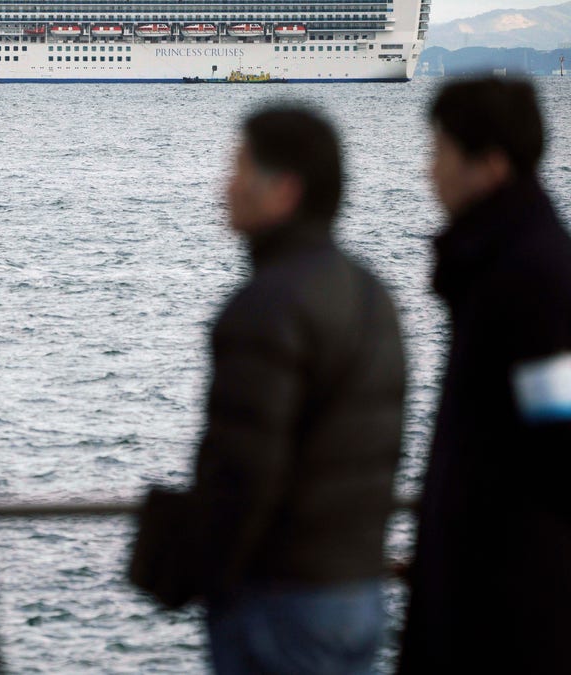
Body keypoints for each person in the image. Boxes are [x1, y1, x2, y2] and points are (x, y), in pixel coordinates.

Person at [191, 107, 405, 674]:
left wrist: (203, 570)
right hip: (357, 589)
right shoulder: (372, 294)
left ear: (284, 190)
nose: (225, 186)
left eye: (239, 168)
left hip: (280, 596)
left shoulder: (266, 306)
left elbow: (244, 467)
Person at [398, 78, 571, 674]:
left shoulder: (534, 280)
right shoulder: (501, 264)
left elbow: (560, 439)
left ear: (490, 166)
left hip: (506, 611)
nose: (429, 172)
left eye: (441, 152)